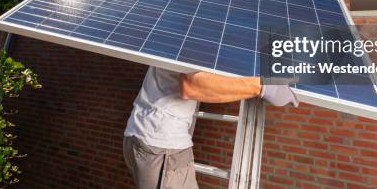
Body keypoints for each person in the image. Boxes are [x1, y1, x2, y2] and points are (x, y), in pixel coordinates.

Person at [123, 67, 298, 189]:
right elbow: (192, 84)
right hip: (161, 145)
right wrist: (262, 87)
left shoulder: (183, 22)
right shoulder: (197, 26)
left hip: (142, 134)